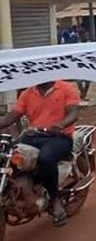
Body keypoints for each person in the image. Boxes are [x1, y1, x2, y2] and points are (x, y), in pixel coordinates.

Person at [0, 81, 80, 225]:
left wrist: (60, 125)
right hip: (33, 136)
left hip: (59, 137)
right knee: (8, 155)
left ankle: (55, 200)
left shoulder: (66, 88)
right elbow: (10, 117)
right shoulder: (28, 93)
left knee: (46, 158)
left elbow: (74, 113)